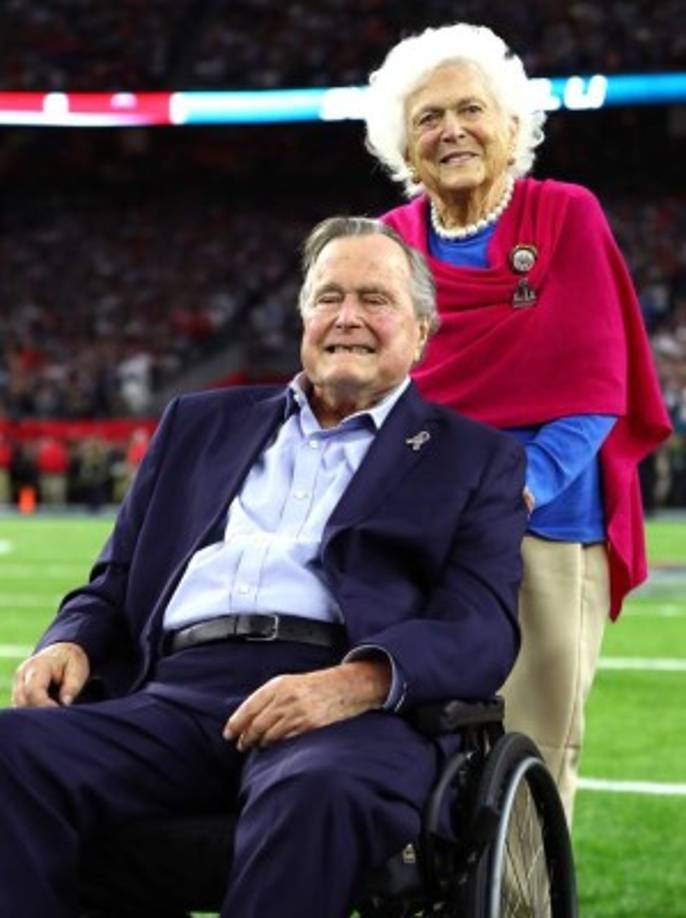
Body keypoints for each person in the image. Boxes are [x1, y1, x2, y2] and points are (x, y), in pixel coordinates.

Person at [0, 217, 527, 918]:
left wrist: (354, 682)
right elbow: (115, 582)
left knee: (314, 791)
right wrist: (69, 639)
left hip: (341, 703)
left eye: (375, 299)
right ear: (303, 316)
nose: (347, 318)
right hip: (173, 697)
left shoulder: (472, 457)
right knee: (10, 750)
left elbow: (481, 626)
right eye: (328, 297)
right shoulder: (196, 423)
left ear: (422, 330)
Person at [364, 23, 672, 822]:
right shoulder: (388, 243)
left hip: (546, 524)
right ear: (403, 140)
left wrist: (513, 490)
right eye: (428, 117)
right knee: (409, 749)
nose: (451, 130)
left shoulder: (566, 215)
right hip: (419, 533)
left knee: (531, 752)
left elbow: (598, 386)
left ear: (512, 127)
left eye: (471, 109)